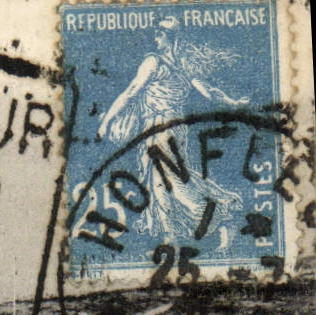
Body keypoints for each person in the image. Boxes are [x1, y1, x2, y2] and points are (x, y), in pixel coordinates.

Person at [94, 17, 249, 245]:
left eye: (159, 34)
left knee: (171, 179)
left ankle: (215, 213)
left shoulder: (153, 62)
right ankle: (170, 233)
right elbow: (210, 92)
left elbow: (130, 92)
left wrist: (106, 121)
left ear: (169, 38)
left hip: (159, 127)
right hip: (176, 128)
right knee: (164, 177)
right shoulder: (184, 67)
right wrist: (233, 102)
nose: (155, 38)